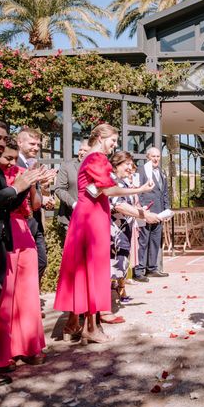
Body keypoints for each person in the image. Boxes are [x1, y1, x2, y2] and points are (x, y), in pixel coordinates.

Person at [54, 124, 154, 344]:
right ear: (100, 137)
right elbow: (108, 190)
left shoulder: (88, 159)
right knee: (93, 269)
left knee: (84, 269)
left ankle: (77, 322)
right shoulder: (96, 159)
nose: (115, 145)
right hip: (92, 217)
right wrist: (141, 189)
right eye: (113, 140)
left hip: (86, 216)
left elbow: (98, 189)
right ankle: (91, 327)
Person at [0, 118, 44, 406]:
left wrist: (29, 186)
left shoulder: (2, 169)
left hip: (8, 239)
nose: (1, 145)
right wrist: (16, 186)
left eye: (4, 140)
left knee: (5, 303)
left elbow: (24, 205)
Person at [0, 138, 55, 371]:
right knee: (6, 294)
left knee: (27, 293)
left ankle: (28, 346)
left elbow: (35, 206)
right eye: (8, 158)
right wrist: (19, 184)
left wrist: (36, 185)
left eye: (14, 159)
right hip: (5, 229)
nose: (11, 163)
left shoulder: (22, 171)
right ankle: (2, 351)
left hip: (24, 229)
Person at [102, 151, 161, 324]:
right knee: (110, 267)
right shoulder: (113, 181)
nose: (130, 167)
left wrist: (141, 210)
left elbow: (128, 204)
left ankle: (109, 304)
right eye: (126, 164)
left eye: (131, 163)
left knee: (119, 263)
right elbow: (119, 205)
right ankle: (105, 309)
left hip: (123, 229)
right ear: (116, 165)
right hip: (112, 231)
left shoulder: (122, 182)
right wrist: (143, 215)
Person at [16, 127, 52, 281]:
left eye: (38, 145)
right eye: (32, 144)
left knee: (41, 262)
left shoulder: (34, 165)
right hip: (20, 221)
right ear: (19, 142)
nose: (36, 148)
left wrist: (43, 187)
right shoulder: (13, 163)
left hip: (35, 221)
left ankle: (29, 297)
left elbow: (36, 198)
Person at [135, 147, 169, 282]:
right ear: (147, 157)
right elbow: (138, 191)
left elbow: (165, 192)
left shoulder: (162, 172)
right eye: (153, 156)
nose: (156, 159)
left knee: (155, 241)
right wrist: (143, 210)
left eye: (158, 156)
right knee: (143, 241)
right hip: (146, 211)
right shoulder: (141, 171)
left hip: (159, 212)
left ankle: (152, 268)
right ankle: (139, 270)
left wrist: (166, 210)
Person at [52, 139, 89, 232]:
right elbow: (59, 189)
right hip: (71, 216)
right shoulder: (67, 166)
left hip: (92, 217)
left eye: (86, 151)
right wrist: (74, 204)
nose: (82, 153)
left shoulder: (97, 167)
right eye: (81, 150)